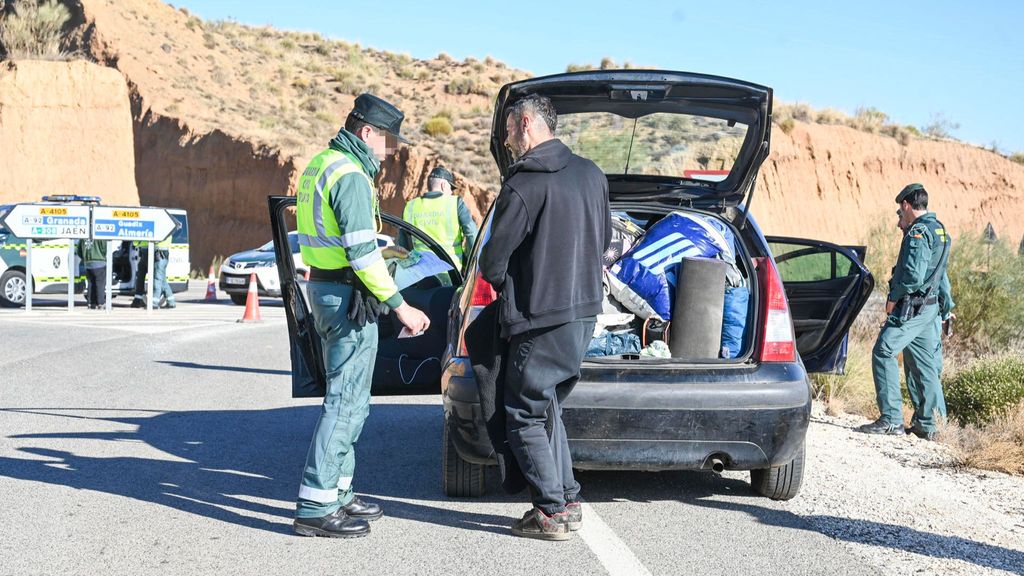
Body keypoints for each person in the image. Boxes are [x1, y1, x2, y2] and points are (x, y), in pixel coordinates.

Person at [292, 93, 430, 538]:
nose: (389, 151)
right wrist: (401, 306)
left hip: (328, 290)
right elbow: (363, 254)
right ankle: (315, 505)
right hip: (347, 294)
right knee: (345, 403)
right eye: (387, 141)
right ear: (366, 132)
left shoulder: (320, 164)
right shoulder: (350, 175)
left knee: (351, 400)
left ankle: (339, 494)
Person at [480, 94, 611, 541]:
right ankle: (568, 498)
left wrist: (509, 285)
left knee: (523, 413)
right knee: (548, 406)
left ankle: (551, 511)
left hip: (540, 318)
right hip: (584, 315)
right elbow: (605, 237)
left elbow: (493, 260)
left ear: (527, 124)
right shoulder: (592, 175)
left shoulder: (524, 185)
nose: (507, 139)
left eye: (510, 129)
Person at [858, 183, 952, 440]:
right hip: (929, 310)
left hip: (912, 308)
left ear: (906, 205)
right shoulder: (940, 230)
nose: (900, 216)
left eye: (901, 209)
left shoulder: (918, 232)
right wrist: (947, 308)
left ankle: (891, 420)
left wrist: (892, 298)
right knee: (923, 365)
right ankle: (931, 426)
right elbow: (940, 275)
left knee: (883, 351)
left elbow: (912, 276)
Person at [397, 166, 478, 270]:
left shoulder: (410, 207)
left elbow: (403, 244)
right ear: (444, 185)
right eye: (450, 188)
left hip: (421, 273)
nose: (451, 192)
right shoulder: (455, 203)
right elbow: (472, 234)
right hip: (451, 272)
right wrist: (468, 261)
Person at [76, 237, 108, 309]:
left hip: (87, 263)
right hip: (99, 261)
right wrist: (102, 256)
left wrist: (85, 258)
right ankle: (101, 303)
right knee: (100, 283)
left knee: (90, 283)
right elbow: (105, 248)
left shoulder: (84, 235)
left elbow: (79, 251)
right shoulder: (99, 234)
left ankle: (91, 303)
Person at [153, 235, 176, 309]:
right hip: (163, 254)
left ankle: (154, 303)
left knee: (157, 279)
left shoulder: (163, 228)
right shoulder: (168, 227)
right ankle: (171, 301)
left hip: (160, 254)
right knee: (162, 279)